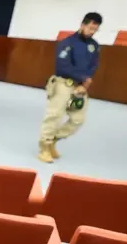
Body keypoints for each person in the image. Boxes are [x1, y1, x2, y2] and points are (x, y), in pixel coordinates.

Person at [39, 12, 101, 163]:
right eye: (90, 28)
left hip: (81, 87)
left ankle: (53, 140)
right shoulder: (67, 43)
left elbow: (93, 65)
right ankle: (44, 148)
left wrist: (85, 83)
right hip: (63, 83)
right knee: (54, 116)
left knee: (78, 119)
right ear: (82, 25)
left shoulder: (94, 46)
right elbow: (62, 66)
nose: (92, 32)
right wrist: (83, 78)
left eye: (95, 29)